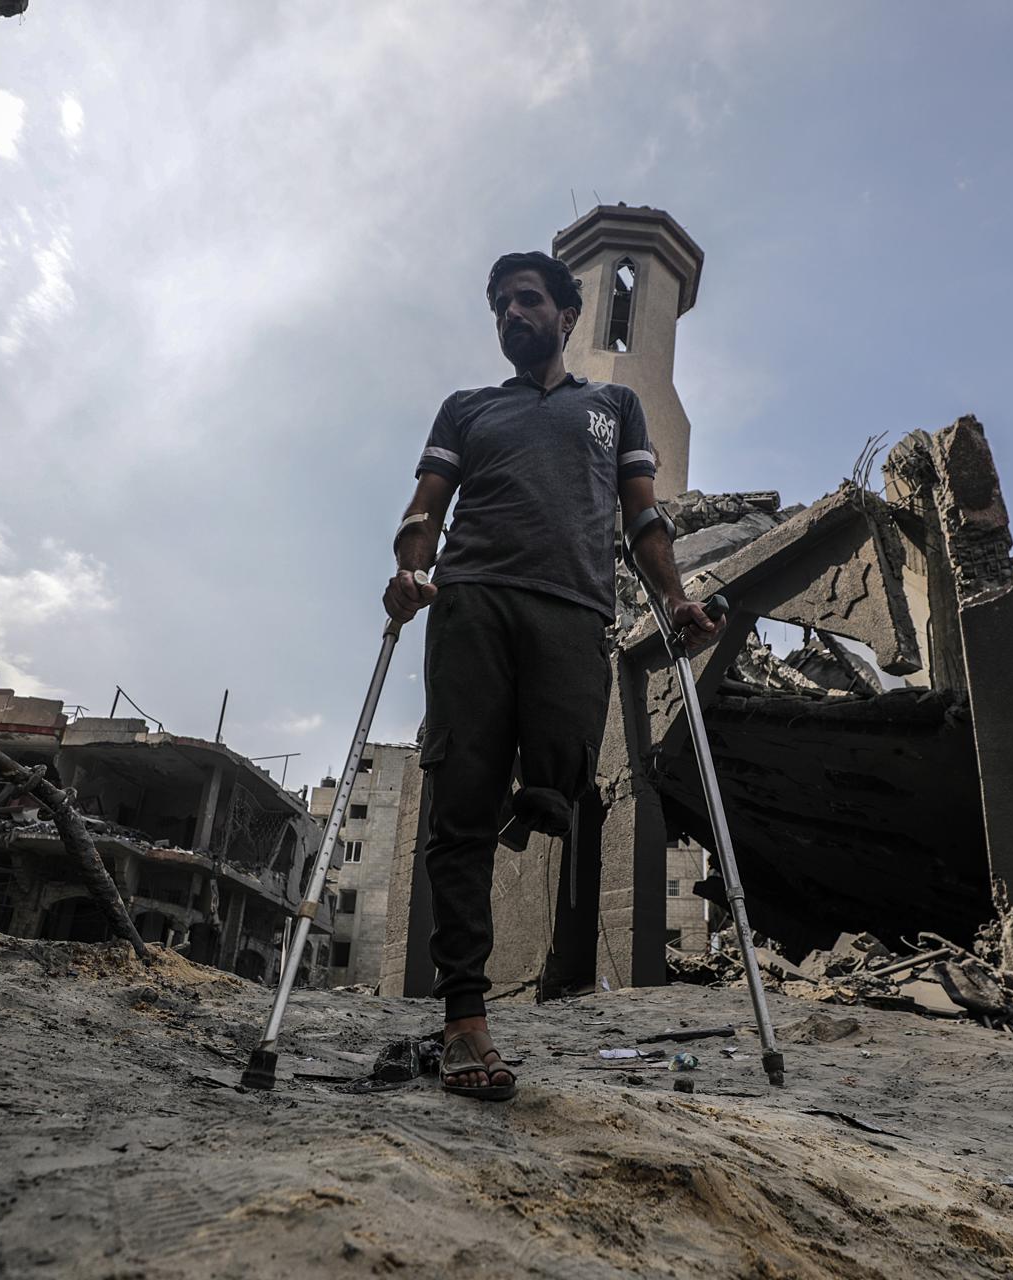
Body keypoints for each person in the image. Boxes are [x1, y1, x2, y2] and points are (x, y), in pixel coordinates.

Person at [383, 252, 717, 1100]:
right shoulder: (467, 409)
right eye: (500, 305)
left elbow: (643, 515)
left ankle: (527, 796)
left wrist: (674, 597)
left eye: (528, 300)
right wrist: (413, 565)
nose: (511, 314)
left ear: (569, 314)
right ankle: (466, 1020)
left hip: (574, 609)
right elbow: (426, 507)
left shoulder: (614, 406)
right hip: (474, 606)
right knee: (457, 809)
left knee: (564, 769)